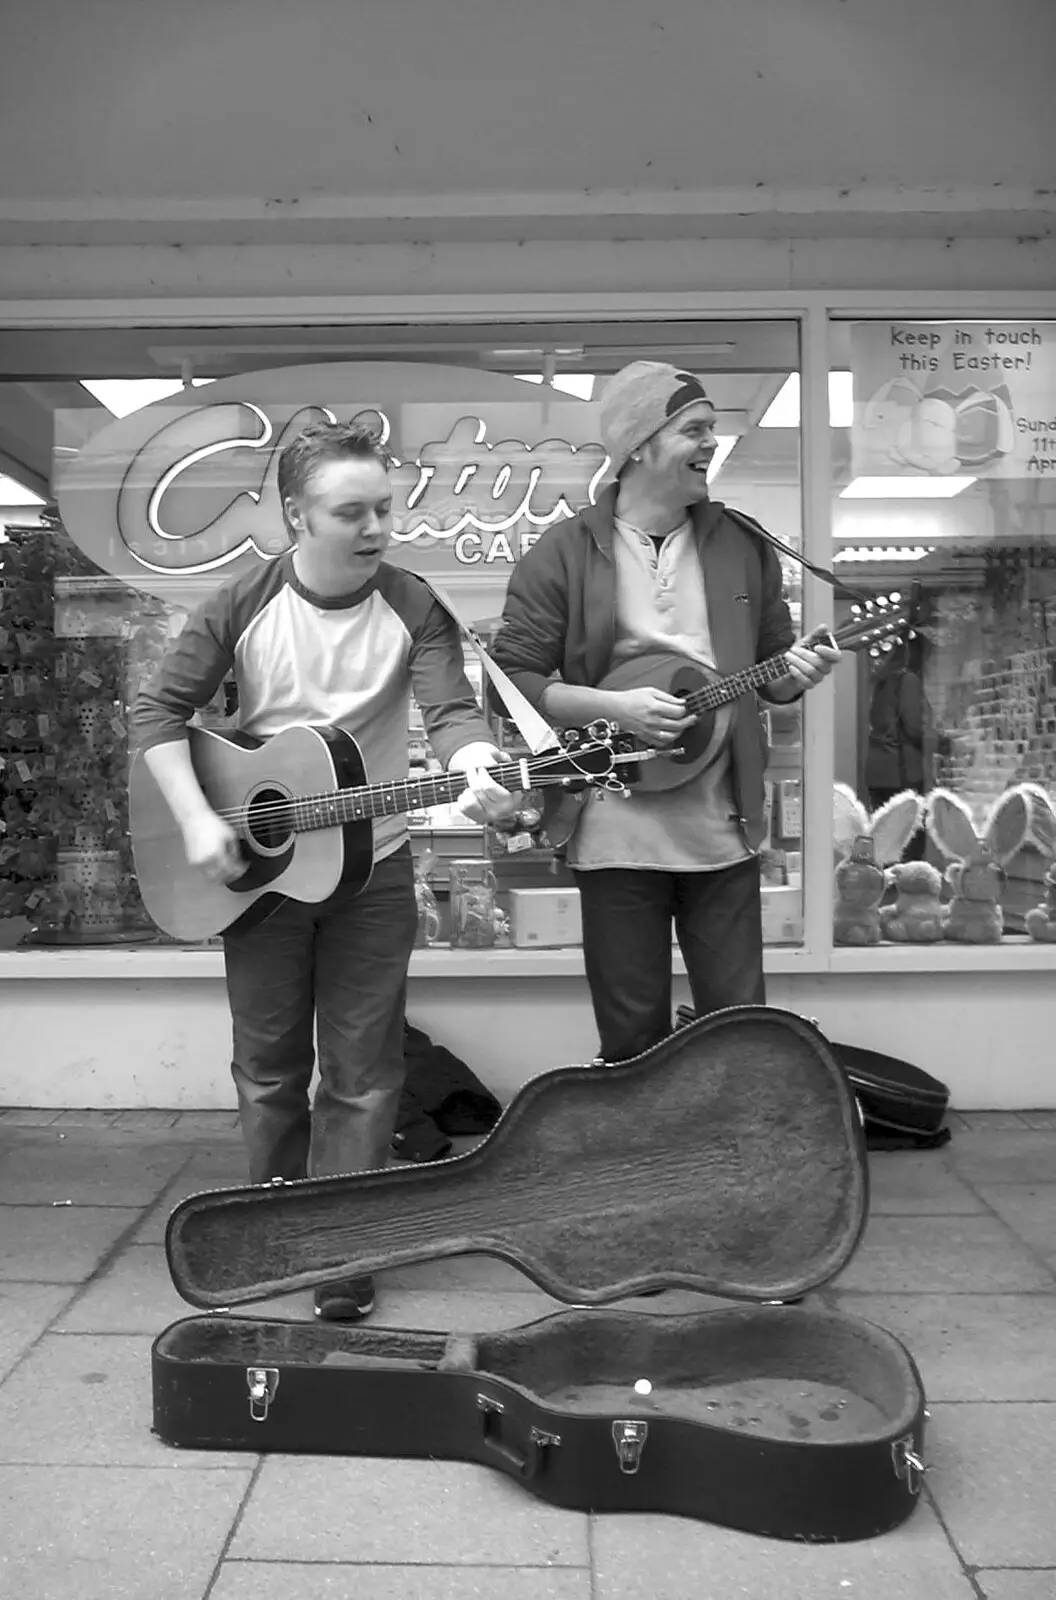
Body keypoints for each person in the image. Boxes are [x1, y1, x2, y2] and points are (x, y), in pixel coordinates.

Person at [132, 419, 515, 1322]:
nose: (377, 527)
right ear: (297, 515)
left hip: (373, 867)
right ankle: (276, 1231)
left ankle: (344, 1247)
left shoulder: (415, 604)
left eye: (385, 507)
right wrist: (195, 818)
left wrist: (473, 767)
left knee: (366, 1072)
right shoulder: (243, 602)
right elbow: (156, 714)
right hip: (261, 879)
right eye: (353, 512)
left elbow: (452, 711)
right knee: (267, 1068)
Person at [491, 360, 840, 1064]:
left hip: (721, 831)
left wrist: (797, 673)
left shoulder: (744, 545)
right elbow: (511, 680)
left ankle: (734, 1165)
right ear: (642, 443)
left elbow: (770, 672)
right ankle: (643, 1169)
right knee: (629, 1036)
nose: (712, 443)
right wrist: (614, 706)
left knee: (740, 1029)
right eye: (696, 429)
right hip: (612, 826)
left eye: (713, 429)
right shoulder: (561, 552)